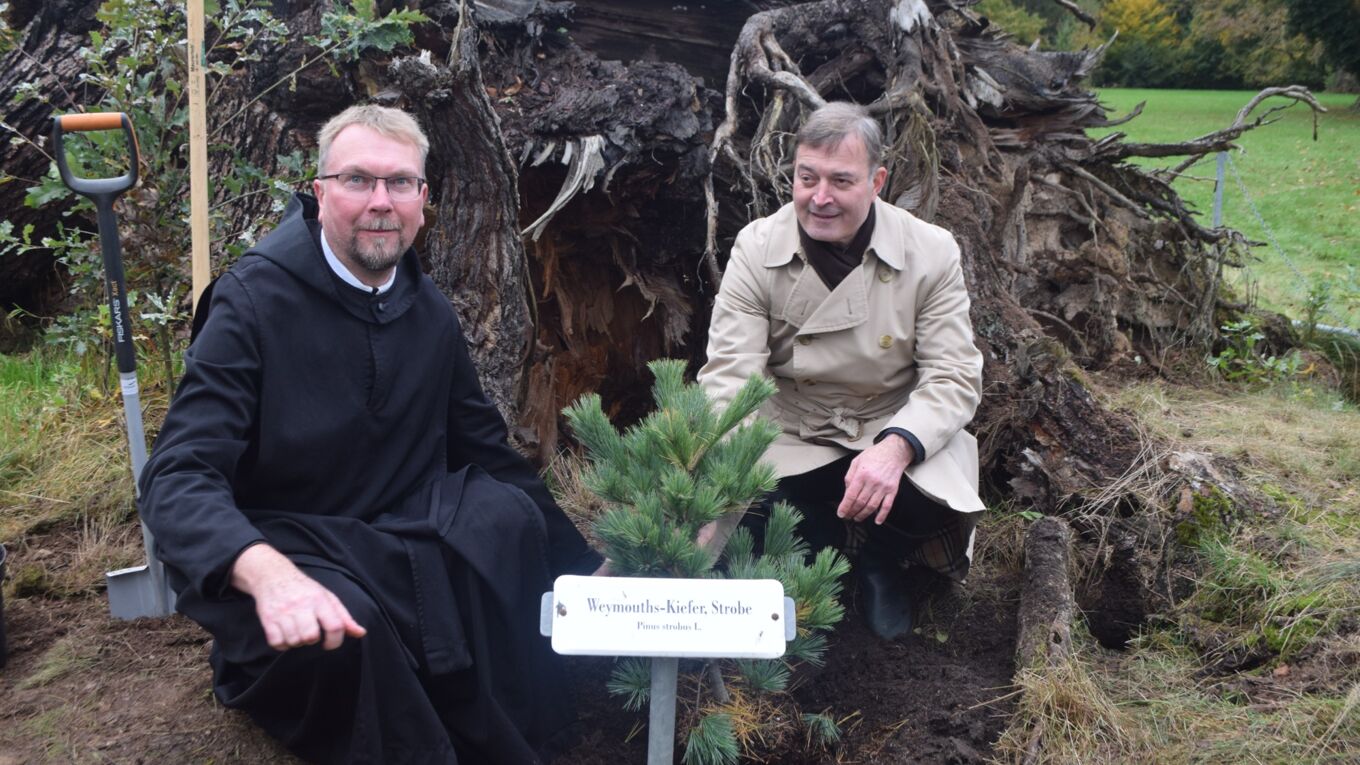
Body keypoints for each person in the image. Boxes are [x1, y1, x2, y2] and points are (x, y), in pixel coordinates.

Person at [139, 104, 599, 764]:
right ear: (320, 190)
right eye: (358, 179)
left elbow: (485, 452)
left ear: (423, 199)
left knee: (505, 517)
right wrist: (265, 573)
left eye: (400, 183)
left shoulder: (427, 309)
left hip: (395, 534)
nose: (380, 202)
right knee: (345, 620)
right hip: (291, 540)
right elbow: (177, 473)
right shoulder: (251, 302)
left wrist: (583, 570)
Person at [697, 101, 985, 641]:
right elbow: (729, 374)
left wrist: (897, 446)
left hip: (885, 422)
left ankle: (880, 560)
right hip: (788, 429)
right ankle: (818, 558)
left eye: (840, 181)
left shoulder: (930, 251)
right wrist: (715, 474)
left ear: (877, 181)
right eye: (807, 178)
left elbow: (954, 375)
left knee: (930, 495)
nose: (819, 197)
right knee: (759, 515)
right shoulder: (758, 248)